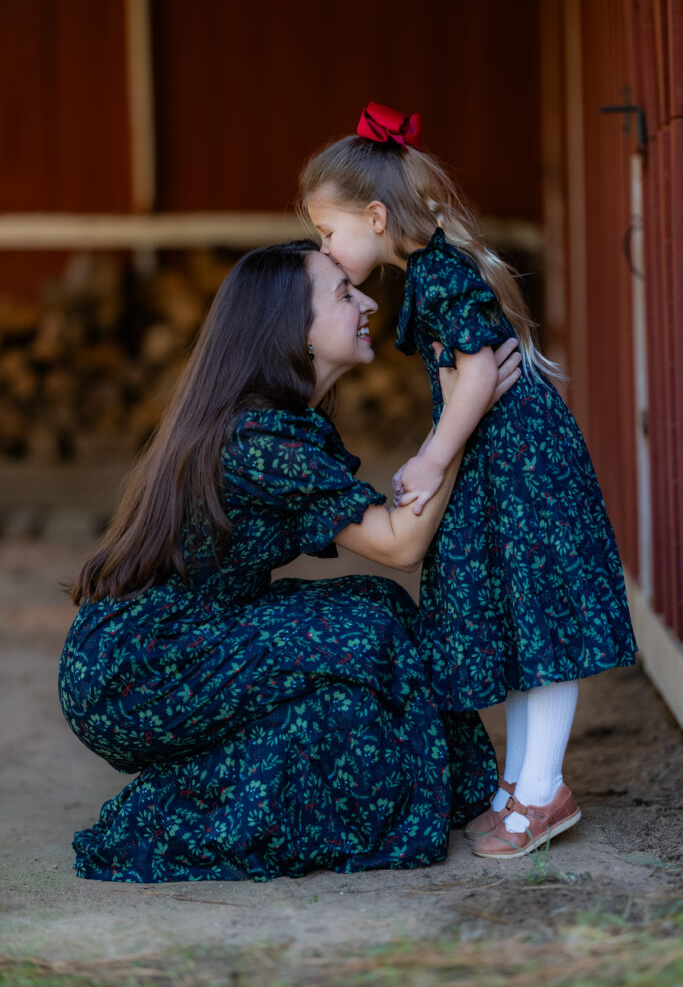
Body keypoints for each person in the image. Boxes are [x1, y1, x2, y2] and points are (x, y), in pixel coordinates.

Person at [58, 240, 521, 882]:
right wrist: (461, 413)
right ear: (292, 331)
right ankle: (172, 813)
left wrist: (456, 418)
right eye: (342, 293)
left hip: (195, 631)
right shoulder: (259, 438)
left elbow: (387, 564)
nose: (365, 301)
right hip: (138, 668)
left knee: (373, 606)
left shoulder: (281, 423)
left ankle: (463, 795)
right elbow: (399, 544)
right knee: (366, 637)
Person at [298, 102, 638, 859]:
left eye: (327, 232)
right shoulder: (433, 268)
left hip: (521, 464)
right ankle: (520, 785)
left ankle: (541, 787)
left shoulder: (439, 274)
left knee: (541, 621)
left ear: (375, 216)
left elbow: (480, 369)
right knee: (523, 619)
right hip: (506, 462)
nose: (323, 248)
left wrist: (429, 455)